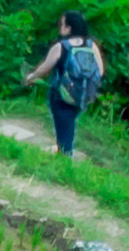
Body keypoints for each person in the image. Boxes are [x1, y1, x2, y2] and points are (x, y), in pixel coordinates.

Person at [23, 11, 106, 157]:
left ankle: (65, 157)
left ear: (69, 28)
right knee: (68, 124)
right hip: (82, 95)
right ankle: (63, 151)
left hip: (61, 95)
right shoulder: (91, 45)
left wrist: (31, 76)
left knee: (64, 126)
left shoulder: (62, 46)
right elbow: (99, 71)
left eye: (62, 24)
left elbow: (45, 68)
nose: (60, 27)